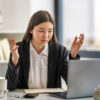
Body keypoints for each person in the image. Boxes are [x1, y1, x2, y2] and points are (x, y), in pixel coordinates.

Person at [6, 10, 84, 91]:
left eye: (50, 31)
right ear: (31, 30)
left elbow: (74, 84)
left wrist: (73, 55)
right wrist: (14, 60)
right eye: (41, 31)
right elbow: (10, 86)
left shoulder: (59, 51)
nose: (46, 36)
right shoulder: (19, 50)